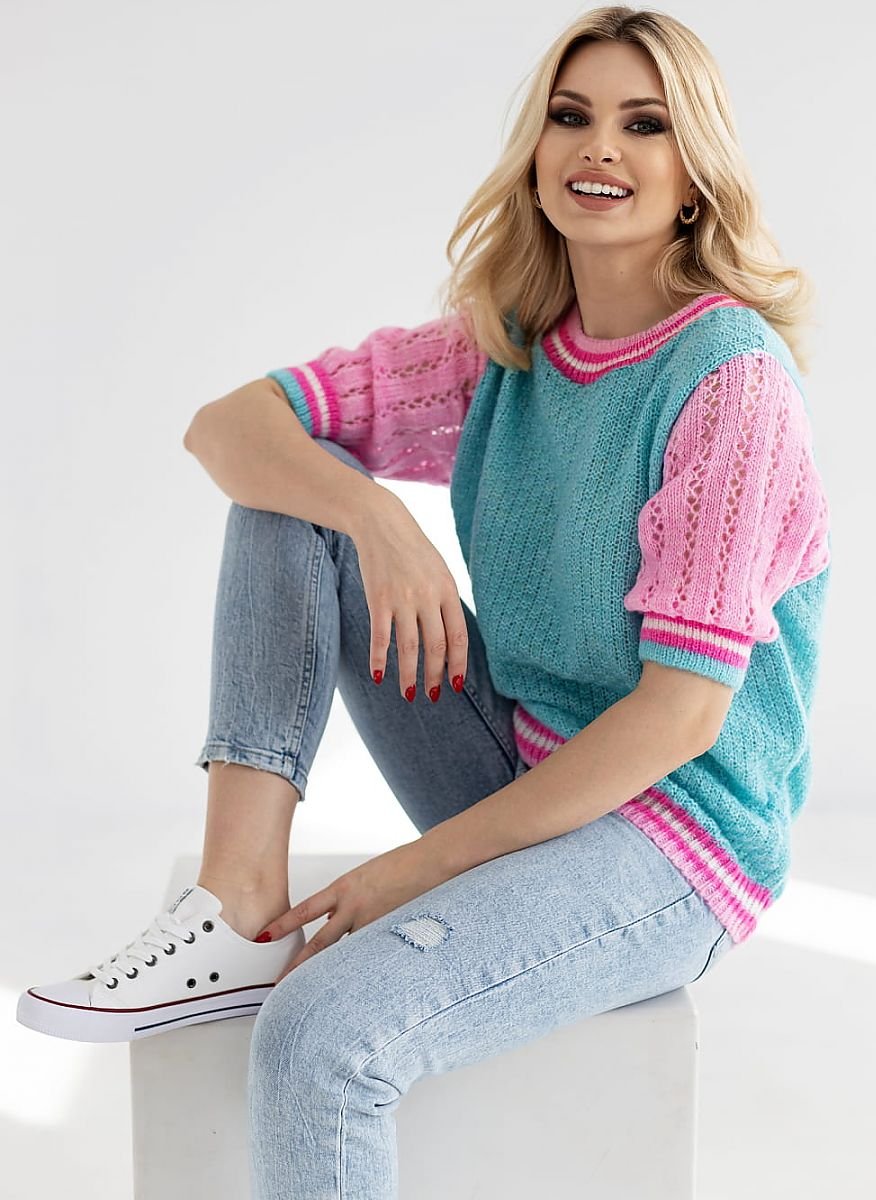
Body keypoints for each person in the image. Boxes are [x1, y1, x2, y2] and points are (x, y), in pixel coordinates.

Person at [18, 5, 832, 1195]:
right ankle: (236, 901)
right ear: (538, 149)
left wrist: (413, 870)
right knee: (295, 490)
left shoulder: (730, 382)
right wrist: (379, 517)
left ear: (696, 173)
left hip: (672, 840)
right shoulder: (506, 347)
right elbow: (227, 426)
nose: (600, 148)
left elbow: (681, 717)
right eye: (572, 116)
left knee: (322, 1038)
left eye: (645, 125)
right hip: (518, 758)